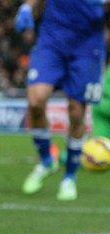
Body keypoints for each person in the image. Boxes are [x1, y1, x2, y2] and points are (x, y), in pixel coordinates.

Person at [15, 0, 106, 200]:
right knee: (36, 101)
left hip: (87, 48)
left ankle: (69, 177)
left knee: (76, 111)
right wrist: (27, 7)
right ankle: (47, 160)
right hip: (51, 42)